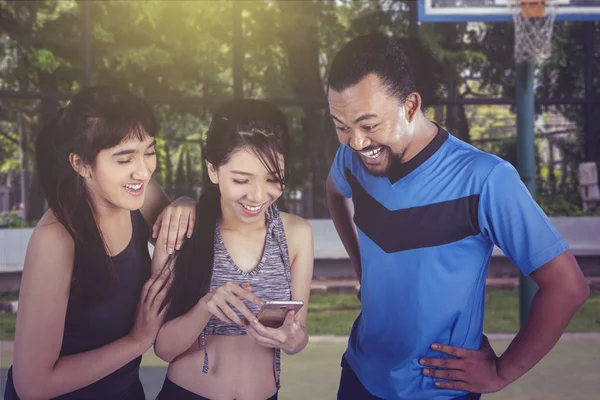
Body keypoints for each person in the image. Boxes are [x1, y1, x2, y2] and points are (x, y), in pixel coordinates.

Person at [325, 34, 590, 400]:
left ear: (410, 105)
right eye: (341, 125)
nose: (355, 141)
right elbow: (335, 192)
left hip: (440, 392)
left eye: (369, 125)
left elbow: (568, 287)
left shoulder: (485, 179)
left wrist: (502, 371)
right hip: (358, 377)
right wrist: (361, 268)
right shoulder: (353, 161)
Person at [4, 86, 196, 400]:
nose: (143, 170)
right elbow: (32, 386)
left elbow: (184, 233)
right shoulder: (56, 239)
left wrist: (185, 203)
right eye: (124, 159)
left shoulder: (141, 196)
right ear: (81, 164)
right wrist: (138, 339)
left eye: (149, 151)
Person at [153, 99, 314, 400]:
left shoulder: (296, 235)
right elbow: (163, 348)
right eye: (241, 179)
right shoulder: (182, 231)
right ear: (213, 171)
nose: (258, 195)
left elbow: (298, 337)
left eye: (273, 179)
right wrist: (206, 307)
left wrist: (291, 338)